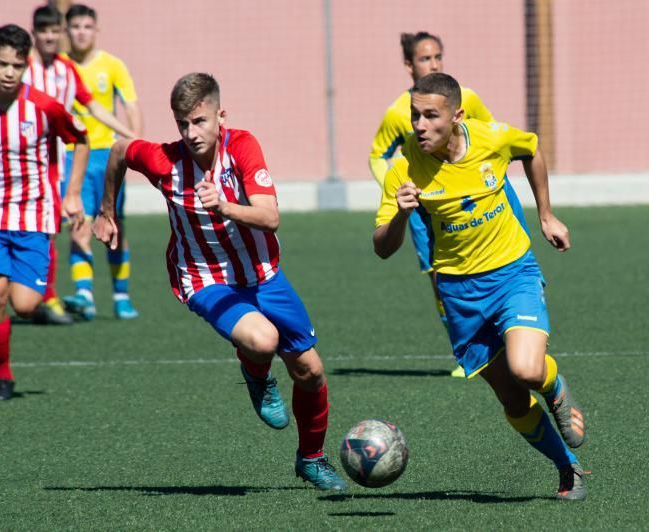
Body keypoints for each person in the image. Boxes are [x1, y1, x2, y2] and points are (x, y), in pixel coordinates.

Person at [93, 73, 347, 491]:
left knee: (311, 371)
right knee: (262, 340)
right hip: (202, 278)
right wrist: (107, 211)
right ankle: (256, 374)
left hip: (264, 274)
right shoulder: (164, 161)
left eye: (199, 121)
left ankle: (311, 460)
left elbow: (271, 216)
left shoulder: (243, 147)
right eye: (182, 124)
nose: (191, 133)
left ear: (219, 117)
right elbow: (120, 151)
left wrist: (226, 205)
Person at [373, 73, 587, 500]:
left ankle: (556, 388)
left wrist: (546, 215)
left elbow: (531, 149)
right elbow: (381, 247)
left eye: (431, 115)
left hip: (512, 274)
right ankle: (568, 469)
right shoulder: (404, 168)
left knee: (527, 370)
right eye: (415, 115)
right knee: (510, 399)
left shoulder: (492, 138)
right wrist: (399, 214)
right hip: (458, 294)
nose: (419, 125)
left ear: (457, 116)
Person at [0, 24, 88, 400]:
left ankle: (26, 311)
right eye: (2, 64)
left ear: (26, 66)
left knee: (25, 305)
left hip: (34, 212)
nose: (9, 73)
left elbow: (81, 138)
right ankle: (2, 377)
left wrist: (72, 194)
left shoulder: (44, 106)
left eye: (17, 66)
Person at [369, 32, 495, 378]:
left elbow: (491, 135)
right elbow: (378, 156)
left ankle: (501, 334)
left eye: (438, 56)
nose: (434, 64)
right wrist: (397, 191)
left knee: (487, 264)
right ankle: (467, 350)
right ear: (409, 65)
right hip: (425, 212)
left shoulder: (465, 97)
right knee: (441, 277)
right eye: (425, 59)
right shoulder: (398, 112)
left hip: (471, 201)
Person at [24, 4, 136, 325]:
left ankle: (108, 296)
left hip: (76, 158)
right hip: (42, 160)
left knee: (83, 225)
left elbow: (94, 107)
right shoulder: (24, 69)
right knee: (53, 228)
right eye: (43, 31)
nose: (49, 36)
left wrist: (132, 136)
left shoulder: (69, 70)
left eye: (53, 31)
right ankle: (52, 295)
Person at [61, 3, 143, 320]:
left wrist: (135, 142)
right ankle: (84, 295)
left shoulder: (112, 65)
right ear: (67, 32)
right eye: (75, 27)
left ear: (96, 30)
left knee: (115, 225)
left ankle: (121, 296)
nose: (81, 32)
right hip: (71, 154)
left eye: (86, 26)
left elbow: (131, 105)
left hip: (108, 157)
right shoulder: (59, 67)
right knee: (78, 224)